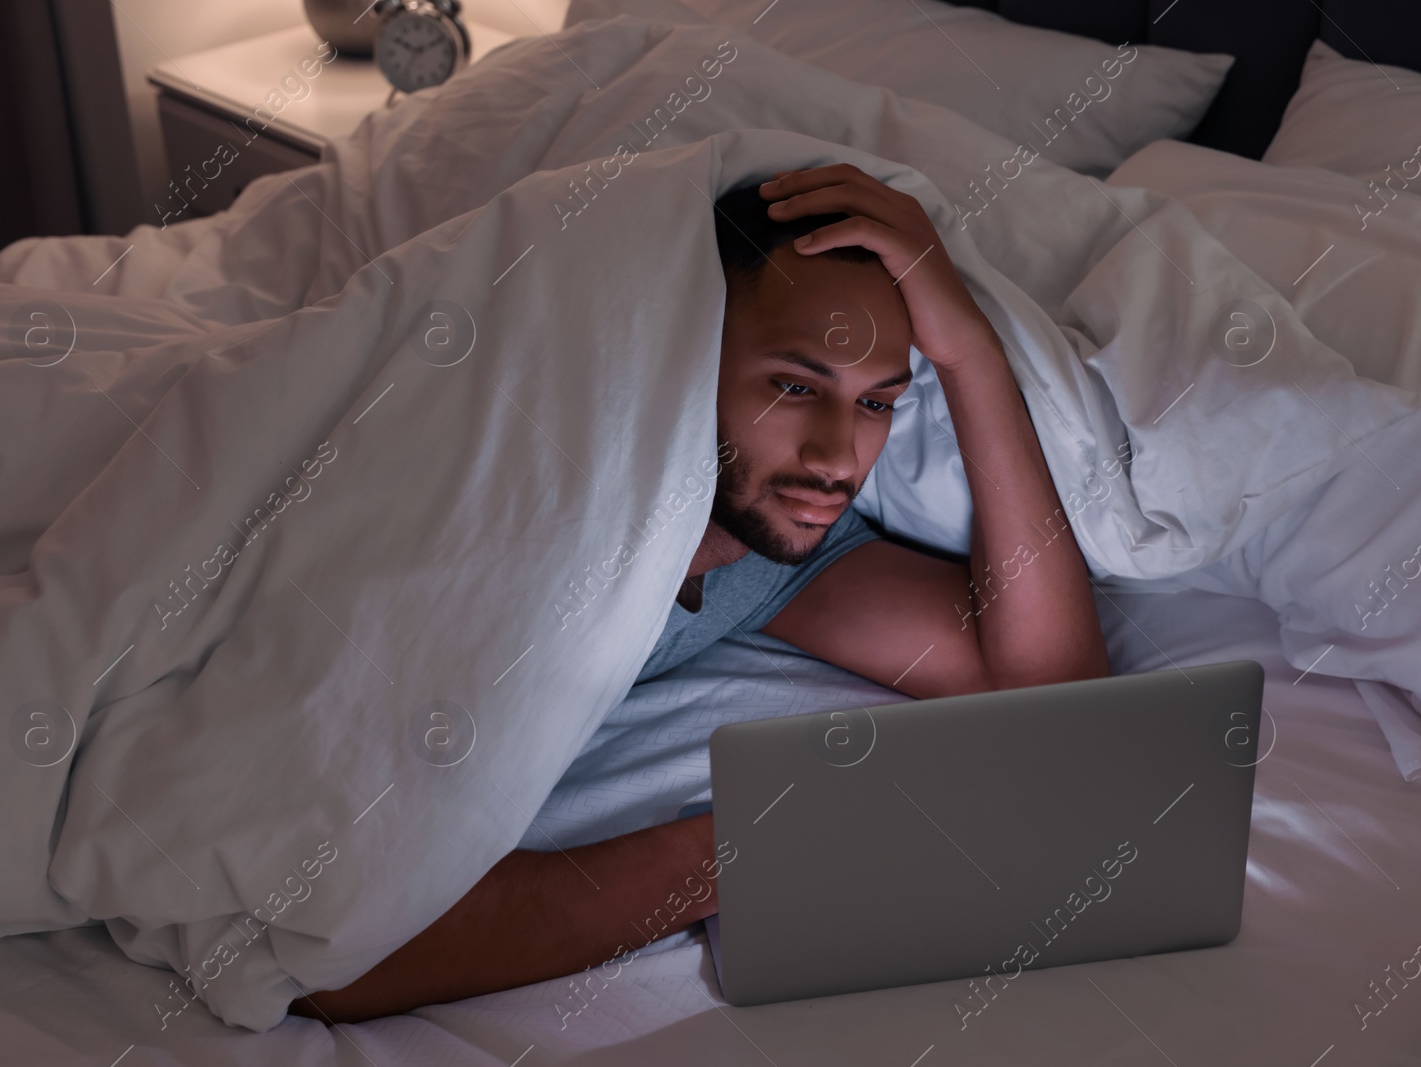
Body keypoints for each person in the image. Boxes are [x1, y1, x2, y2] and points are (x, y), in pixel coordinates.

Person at [290, 163, 1109, 1023]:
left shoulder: (765, 550)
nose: (837, 458)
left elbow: (1049, 700)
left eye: (876, 401)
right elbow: (337, 953)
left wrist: (968, 350)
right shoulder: (525, 561)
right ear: (683, 352)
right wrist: (747, 847)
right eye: (794, 386)